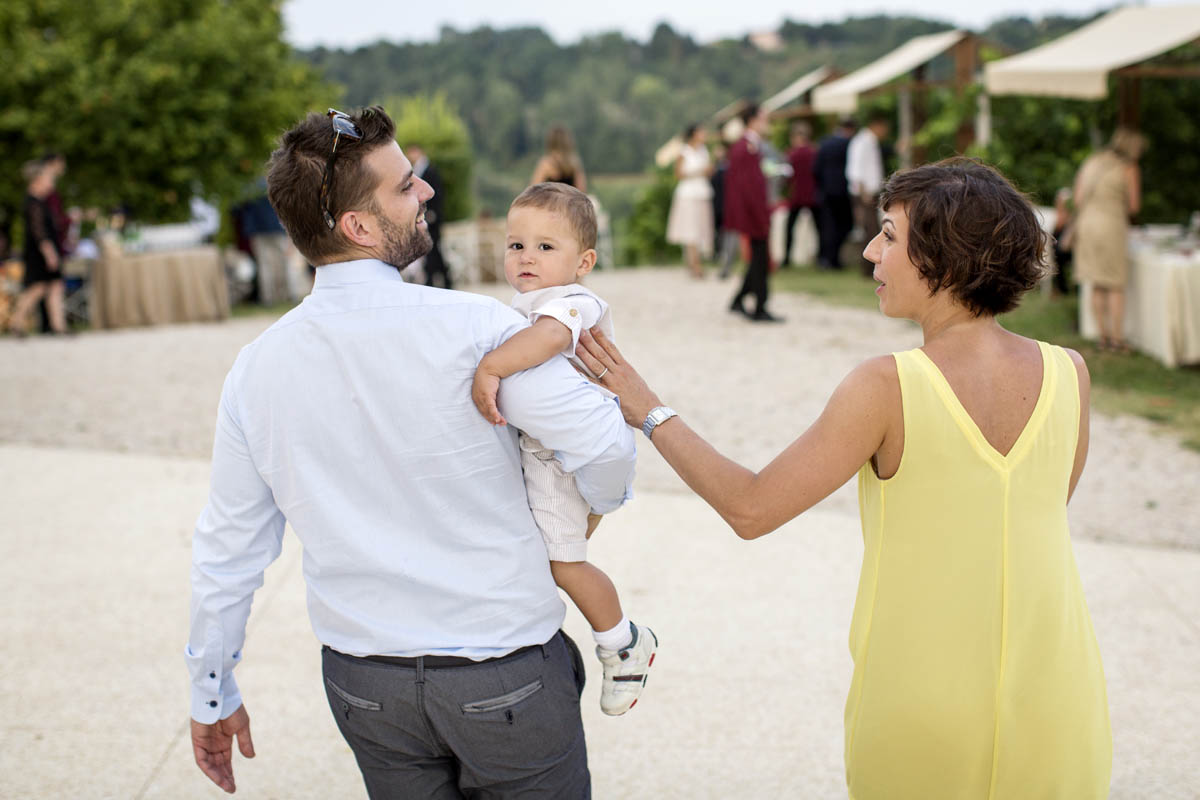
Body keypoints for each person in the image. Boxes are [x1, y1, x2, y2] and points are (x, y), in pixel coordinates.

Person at [578, 158, 1111, 800]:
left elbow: (751, 509)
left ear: (944, 258)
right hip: (1058, 696)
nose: (868, 251)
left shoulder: (886, 386)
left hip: (919, 703)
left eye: (889, 235)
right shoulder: (1069, 373)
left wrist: (647, 408)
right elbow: (1039, 516)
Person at [185, 106, 636, 798]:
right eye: (404, 186)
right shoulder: (481, 329)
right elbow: (605, 447)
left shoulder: (256, 366)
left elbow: (229, 549)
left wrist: (211, 693)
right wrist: (585, 517)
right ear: (357, 228)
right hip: (503, 667)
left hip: (366, 687)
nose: (425, 189)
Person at [472, 181, 658, 716]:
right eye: (516, 245)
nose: (527, 256)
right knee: (558, 554)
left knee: (565, 563)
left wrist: (492, 366)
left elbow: (551, 340)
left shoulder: (574, 302)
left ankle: (623, 643)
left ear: (584, 261)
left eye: (545, 247)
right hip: (550, 458)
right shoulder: (523, 303)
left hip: (589, 445)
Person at [1072, 127, 1145, 353]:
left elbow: (1077, 198)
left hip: (1087, 225)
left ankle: (1102, 337)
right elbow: (1134, 206)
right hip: (1110, 225)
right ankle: (1117, 339)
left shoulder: (1092, 162)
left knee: (1096, 282)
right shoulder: (1128, 168)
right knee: (1114, 283)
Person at [724, 103, 782, 322]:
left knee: (758, 258)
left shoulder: (749, 146)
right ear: (753, 120)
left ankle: (739, 299)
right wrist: (760, 214)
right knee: (760, 258)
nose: (767, 123)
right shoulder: (746, 147)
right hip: (753, 213)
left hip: (753, 211)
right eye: (764, 118)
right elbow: (749, 187)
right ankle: (760, 305)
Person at [7, 160, 69, 336]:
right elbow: (39, 232)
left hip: (43, 250)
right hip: (40, 251)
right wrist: (49, 253)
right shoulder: (34, 203)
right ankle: (17, 323)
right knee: (37, 287)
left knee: (55, 286)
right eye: (49, 180)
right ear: (37, 180)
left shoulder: (39, 202)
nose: (51, 185)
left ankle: (58, 325)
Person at [665, 123, 715, 279]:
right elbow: (678, 174)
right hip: (688, 194)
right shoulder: (684, 152)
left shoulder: (703, 151)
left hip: (702, 192)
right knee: (690, 230)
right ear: (694, 134)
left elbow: (708, 172)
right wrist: (698, 171)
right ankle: (694, 264)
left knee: (701, 229)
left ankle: (695, 262)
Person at [846, 111, 890, 277]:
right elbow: (855, 170)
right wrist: (863, 192)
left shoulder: (870, 142)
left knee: (872, 228)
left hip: (870, 192)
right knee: (869, 230)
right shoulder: (862, 141)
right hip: (864, 193)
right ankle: (869, 269)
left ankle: (871, 268)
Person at [405, 143, 452, 289]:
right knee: (432, 251)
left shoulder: (430, 170)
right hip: (425, 217)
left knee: (433, 249)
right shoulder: (419, 169)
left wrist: (432, 213)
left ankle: (436, 280)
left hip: (432, 217)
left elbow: (436, 193)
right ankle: (435, 279)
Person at [813, 117, 855, 270]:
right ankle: (833, 258)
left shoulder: (825, 143)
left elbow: (816, 168)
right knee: (844, 225)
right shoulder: (849, 144)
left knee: (828, 226)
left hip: (826, 192)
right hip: (842, 192)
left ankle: (825, 258)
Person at [782, 121, 817, 268]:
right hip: (812, 194)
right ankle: (822, 256)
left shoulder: (791, 154)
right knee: (820, 228)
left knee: (789, 228)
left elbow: (788, 176)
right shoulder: (814, 152)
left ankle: (787, 258)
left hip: (796, 195)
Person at [531, 125, 588, 191]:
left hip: (550, 200)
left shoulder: (546, 164)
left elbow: (533, 190)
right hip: (570, 200)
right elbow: (582, 190)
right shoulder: (574, 163)